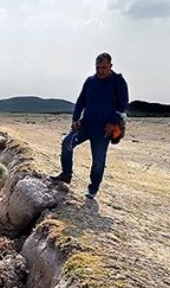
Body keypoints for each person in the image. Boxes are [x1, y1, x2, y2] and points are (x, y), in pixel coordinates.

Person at [50, 52, 129, 199]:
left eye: (104, 67)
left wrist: (113, 122)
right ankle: (66, 174)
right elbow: (81, 101)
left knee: (98, 161)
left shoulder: (118, 81)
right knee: (67, 143)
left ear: (110, 66)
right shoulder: (90, 81)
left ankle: (93, 189)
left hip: (103, 130)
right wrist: (75, 119)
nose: (100, 71)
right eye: (98, 67)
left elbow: (123, 105)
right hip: (86, 125)